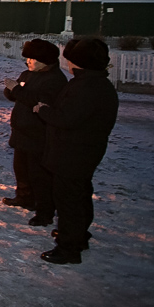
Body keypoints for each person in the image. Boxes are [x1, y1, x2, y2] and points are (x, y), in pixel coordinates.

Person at [33, 38, 118, 265]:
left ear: (77, 63)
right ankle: (78, 235)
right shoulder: (98, 84)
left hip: (72, 153)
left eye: (69, 60)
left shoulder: (85, 87)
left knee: (69, 200)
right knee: (79, 195)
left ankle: (69, 247)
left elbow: (67, 118)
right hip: (85, 151)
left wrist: (43, 110)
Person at [2, 39, 67, 222]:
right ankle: (24, 197)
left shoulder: (54, 80)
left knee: (38, 174)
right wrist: (11, 90)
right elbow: (17, 95)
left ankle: (43, 208)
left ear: (44, 60)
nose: (28, 62)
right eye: (27, 58)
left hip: (38, 134)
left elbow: (38, 100)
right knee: (21, 169)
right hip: (21, 131)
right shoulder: (28, 74)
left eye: (32, 58)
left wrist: (17, 90)